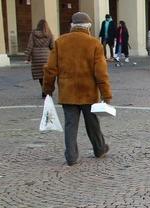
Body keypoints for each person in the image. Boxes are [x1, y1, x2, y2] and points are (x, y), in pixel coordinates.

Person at [43, 11, 112, 167]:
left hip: (68, 92)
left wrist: (48, 89)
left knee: (70, 124)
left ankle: (71, 156)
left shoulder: (60, 42)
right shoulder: (94, 43)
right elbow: (101, 72)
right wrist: (106, 94)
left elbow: (50, 69)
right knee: (92, 122)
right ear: (88, 27)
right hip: (88, 92)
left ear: (72, 26)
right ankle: (99, 148)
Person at [25, 19, 53, 98]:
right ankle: (47, 91)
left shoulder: (33, 34)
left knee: (40, 75)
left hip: (36, 57)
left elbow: (30, 46)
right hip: (46, 56)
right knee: (46, 75)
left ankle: (43, 91)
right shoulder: (49, 34)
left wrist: (27, 58)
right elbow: (52, 47)